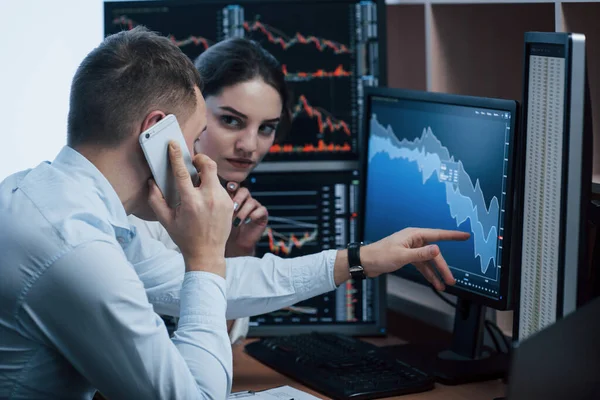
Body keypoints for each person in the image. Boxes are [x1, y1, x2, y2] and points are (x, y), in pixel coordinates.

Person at [0, 26, 469, 399]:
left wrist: (360, 258)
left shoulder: (50, 196)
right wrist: (204, 258)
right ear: (155, 133)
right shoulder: (77, 248)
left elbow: (230, 285)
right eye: (197, 132)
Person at [129, 38, 290, 344]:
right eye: (231, 121)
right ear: (195, 109)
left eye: (266, 128)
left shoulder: (228, 206)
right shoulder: (138, 207)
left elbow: (217, 341)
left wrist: (236, 251)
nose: (250, 146)